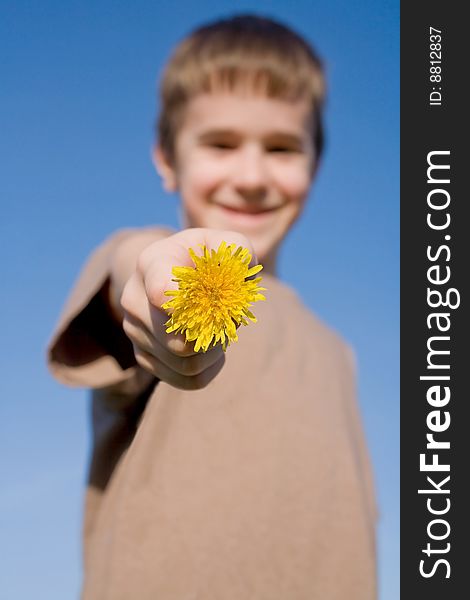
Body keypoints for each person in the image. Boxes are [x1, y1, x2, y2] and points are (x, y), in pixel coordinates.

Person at [47, 14, 377, 600]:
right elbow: (136, 272)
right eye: (220, 144)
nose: (251, 177)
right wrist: (161, 283)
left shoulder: (339, 353)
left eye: (281, 148)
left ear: (315, 166)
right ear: (168, 161)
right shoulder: (150, 259)